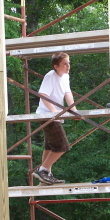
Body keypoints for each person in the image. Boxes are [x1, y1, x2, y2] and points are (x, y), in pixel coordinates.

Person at [32, 52, 77, 185]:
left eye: (69, 63)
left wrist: (73, 109)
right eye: (64, 64)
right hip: (47, 115)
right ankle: (42, 170)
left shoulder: (65, 76)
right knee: (62, 146)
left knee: (49, 146)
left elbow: (67, 93)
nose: (68, 66)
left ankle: (46, 176)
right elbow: (43, 94)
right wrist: (53, 111)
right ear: (56, 66)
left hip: (53, 115)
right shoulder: (51, 76)